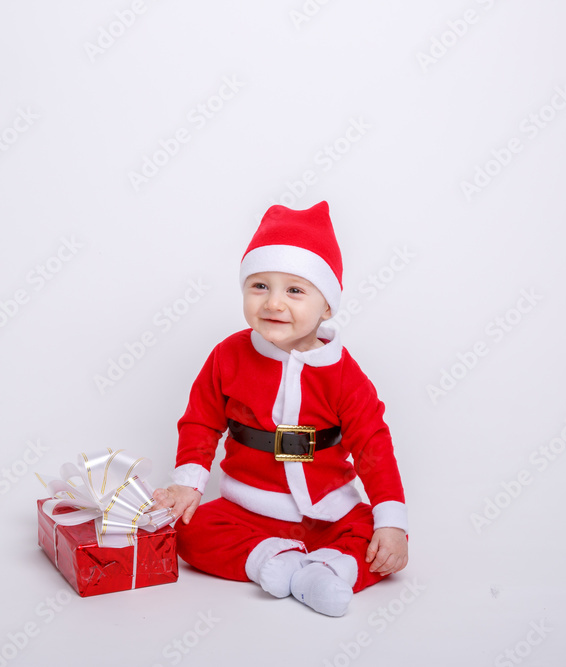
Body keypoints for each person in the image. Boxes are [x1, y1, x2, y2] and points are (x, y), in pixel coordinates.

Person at [152, 201, 408, 616]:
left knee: (379, 544)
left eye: (294, 290)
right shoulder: (228, 355)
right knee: (187, 533)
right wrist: (189, 483)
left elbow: (373, 447)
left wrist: (392, 521)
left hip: (329, 511)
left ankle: (327, 570)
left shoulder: (343, 374)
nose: (273, 303)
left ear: (326, 306)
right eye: (259, 286)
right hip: (248, 509)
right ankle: (276, 561)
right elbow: (200, 420)